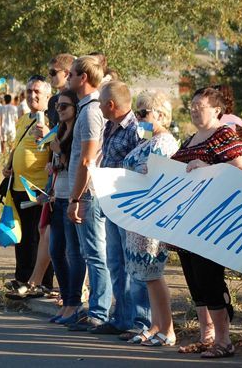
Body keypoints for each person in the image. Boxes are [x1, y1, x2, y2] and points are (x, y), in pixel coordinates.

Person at [172, 87, 242, 359]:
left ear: (217, 110)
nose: (193, 109)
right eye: (192, 105)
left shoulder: (224, 135)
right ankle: (206, 338)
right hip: (185, 224)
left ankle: (224, 340)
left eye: (200, 106)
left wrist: (208, 169)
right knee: (195, 282)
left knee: (210, 280)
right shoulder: (192, 138)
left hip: (210, 223)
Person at [120, 91, 180, 346]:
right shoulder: (147, 140)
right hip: (137, 215)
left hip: (152, 215)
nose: (140, 117)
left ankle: (168, 329)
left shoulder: (164, 143)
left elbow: (161, 178)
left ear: (161, 115)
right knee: (145, 274)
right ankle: (156, 325)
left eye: (145, 113)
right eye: (138, 112)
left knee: (154, 273)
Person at [91, 81, 150, 336]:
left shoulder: (139, 129)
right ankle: (122, 318)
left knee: (134, 265)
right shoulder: (108, 126)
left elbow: (147, 163)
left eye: (101, 103)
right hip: (110, 202)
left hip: (130, 206)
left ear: (111, 105)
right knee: (115, 262)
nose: (99, 107)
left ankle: (142, 322)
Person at [65, 55, 109, 332]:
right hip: (83, 192)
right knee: (88, 251)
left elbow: (87, 159)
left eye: (71, 74)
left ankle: (99, 311)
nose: (67, 78)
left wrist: (76, 198)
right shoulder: (86, 108)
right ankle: (95, 308)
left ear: (83, 78)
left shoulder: (92, 111)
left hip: (89, 193)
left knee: (95, 254)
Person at [3, 76, 54, 293]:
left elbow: (55, 150)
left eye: (37, 92)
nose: (32, 96)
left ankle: (42, 282)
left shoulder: (52, 120)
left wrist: (49, 136)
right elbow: (18, 145)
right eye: (29, 91)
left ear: (47, 96)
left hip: (38, 187)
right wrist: (10, 164)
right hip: (17, 185)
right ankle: (22, 277)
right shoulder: (24, 118)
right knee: (20, 235)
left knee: (38, 237)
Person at [47, 89, 87, 325]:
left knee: (73, 253)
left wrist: (59, 152)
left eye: (64, 106)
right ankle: (66, 299)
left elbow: (75, 163)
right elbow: (58, 166)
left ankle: (74, 303)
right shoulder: (60, 131)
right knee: (56, 251)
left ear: (75, 108)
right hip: (57, 195)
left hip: (72, 196)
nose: (59, 111)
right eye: (57, 107)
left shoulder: (76, 133)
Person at [47, 53, 76, 127]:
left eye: (53, 72)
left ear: (66, 73)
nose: (49, 76)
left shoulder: (76, 100)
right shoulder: (52, 101)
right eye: (49, 72)